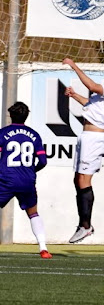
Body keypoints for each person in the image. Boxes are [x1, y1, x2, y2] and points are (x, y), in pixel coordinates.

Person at [63, 58, 104, 243]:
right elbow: (90, 105)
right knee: (78, 179)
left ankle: (86, 225)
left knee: (84, 180)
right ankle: (83, 224)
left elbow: (90, 84)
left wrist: (74, 65)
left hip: (95, 138)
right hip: (85, 136)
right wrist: (74, 95)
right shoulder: (103, 94)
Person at [0, 102, 50, 258]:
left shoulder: (3, 133)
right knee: (33, 213)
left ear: (11, 115)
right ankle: (43, 249)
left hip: (6, 179)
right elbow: (42, 161)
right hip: (27, 181)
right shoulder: (34, 135)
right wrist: (30, 171)